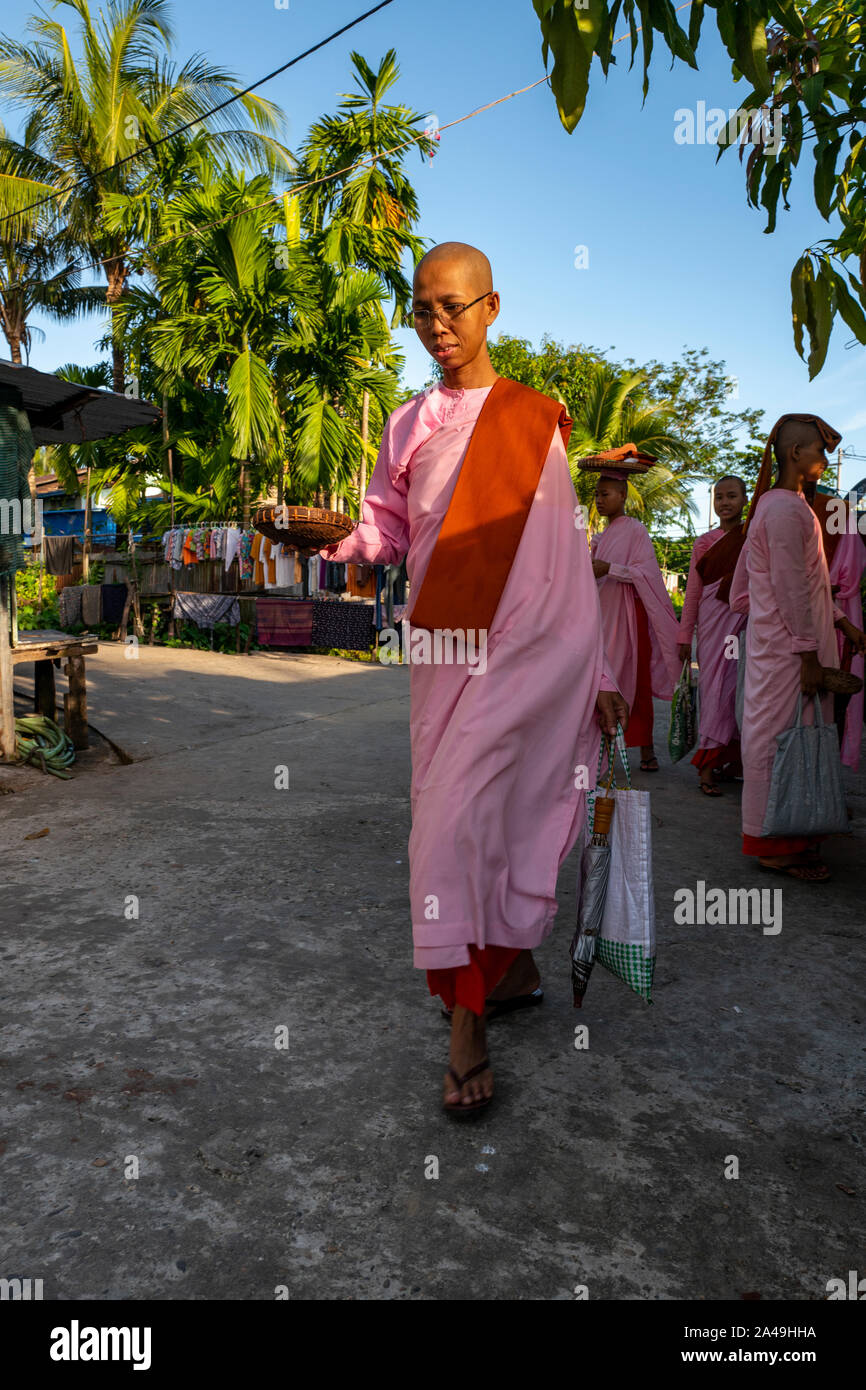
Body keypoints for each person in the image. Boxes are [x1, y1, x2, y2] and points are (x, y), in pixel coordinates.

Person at [320, 242, 627, 1113]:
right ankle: (513, 967)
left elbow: (565, 556)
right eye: (422, 308)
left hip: (534, 652)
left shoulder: (536, 420)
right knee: (456, 816)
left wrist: (599, 665)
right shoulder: (408, 422)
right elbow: (389, 532)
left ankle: (468, 1025)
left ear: (492, 308)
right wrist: (337, 542)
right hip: (445, 648)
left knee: (471, 819)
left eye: (453, 306)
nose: (437, 324)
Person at [729, 414, 866, 881]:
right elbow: (789, 587)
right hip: (791, 654)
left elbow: (745, 594)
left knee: (790, 740)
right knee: (781, 744)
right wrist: (808, 651)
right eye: (820, 452)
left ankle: (795, 834)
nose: (826, 461)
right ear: (795, 454)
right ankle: (775, 846)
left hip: (780, 645)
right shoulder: (786, 509)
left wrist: (840, 624)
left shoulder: (773, 507)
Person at [590, 471, 682, 770]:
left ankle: (644, 749)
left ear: (623, 496)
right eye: (597, 494)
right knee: (604, 681)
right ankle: (602, 752)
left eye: (606, 494)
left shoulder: (635, 530)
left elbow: (648, 575)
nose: (599, 500)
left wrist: (610, 568)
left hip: (629, 618)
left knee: (633, 682)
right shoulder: (600, 536)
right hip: (603, 617)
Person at [677, 476, 748, 795]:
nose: (725, 502)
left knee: (740, 691)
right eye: (719, 497)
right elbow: (693, 592)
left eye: (732, 496)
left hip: (745, 624)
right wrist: (684, 636)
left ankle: (731, 762)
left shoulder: (752, 537)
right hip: (711, 625)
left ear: (746, 500)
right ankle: (706, 766)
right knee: (714, 691)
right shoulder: (704, 542)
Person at [806, 485, 866, 771]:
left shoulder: (831, 512)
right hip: (833, 612)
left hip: (828, 611)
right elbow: (851, 575)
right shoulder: (836, 512)